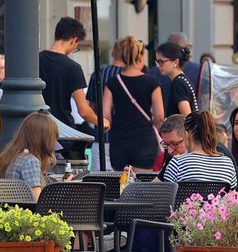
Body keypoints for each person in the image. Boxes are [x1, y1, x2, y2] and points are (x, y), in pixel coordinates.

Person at [38, 17, 108, 148]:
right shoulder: (73, 68)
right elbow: (83, 110)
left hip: (37, 129)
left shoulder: (36, 60)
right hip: (63, 132)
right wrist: (102, 121)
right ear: (74, 39)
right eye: (76, 46)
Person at [103, 36, 163, 171]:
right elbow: (159, 116)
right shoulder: (152, 83)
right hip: (144, 141)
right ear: (141, 57)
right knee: (143, 185)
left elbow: (106, 115)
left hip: (119, 141)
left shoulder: (112, 83)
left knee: (121, 184)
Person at [0, 111, 59, 200]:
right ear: (45, 140)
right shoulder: (30, 161)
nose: (55, 143)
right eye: (53, 138)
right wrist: (64, 190)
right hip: (22, 212)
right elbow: (37, 203)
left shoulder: (8, 157)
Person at [160, 111, 238, 187]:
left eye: (175, 144)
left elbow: (166, 197)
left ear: (186, 135)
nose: (170, 150)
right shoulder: (228, 164)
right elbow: (232, 196)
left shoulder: (177, 164)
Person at [87, 42, 125, 171]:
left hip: (102, 137)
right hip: (125, 138)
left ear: (113, 53)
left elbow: (91, 106)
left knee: (101, 181)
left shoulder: (99, 74)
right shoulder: (134, 76)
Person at [155, 41, 198, 117]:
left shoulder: (178, 83)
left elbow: (187, 117)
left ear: (175, 62)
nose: (158, 66)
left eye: (161, 62)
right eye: (157, 62)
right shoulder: (183, 79)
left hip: (181, 129)